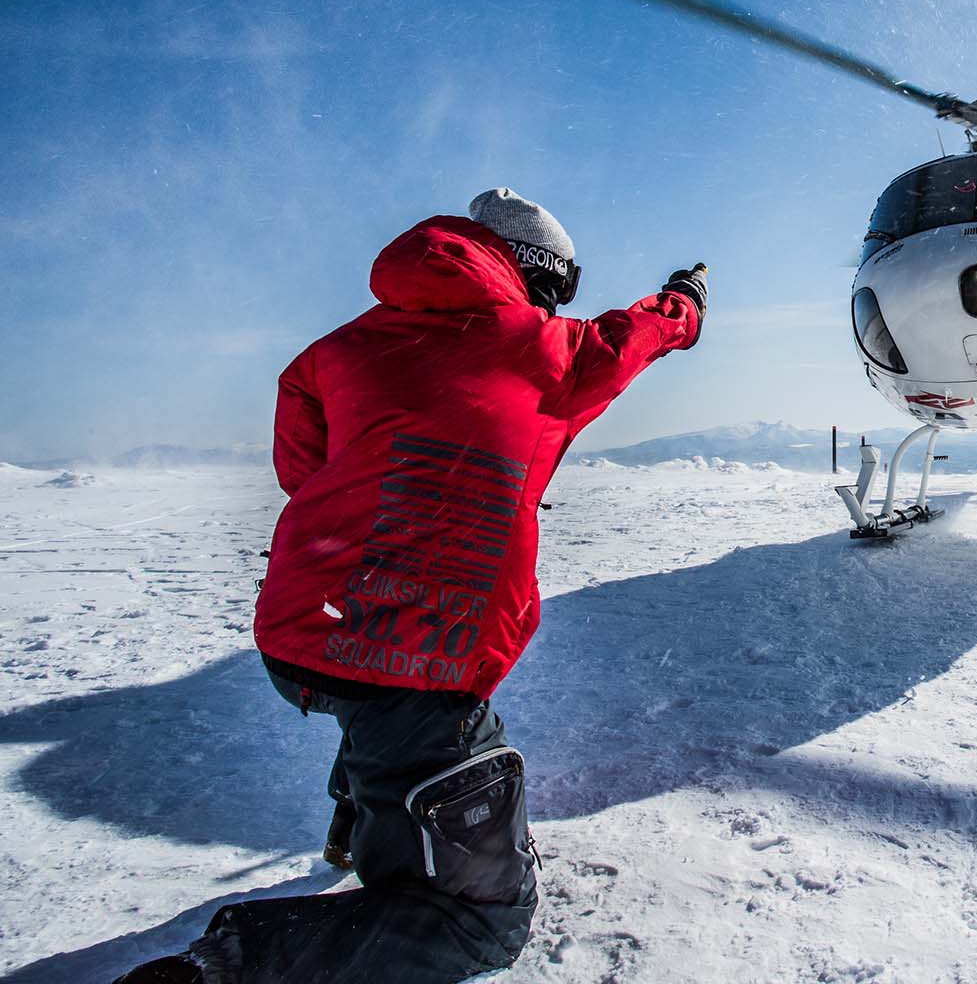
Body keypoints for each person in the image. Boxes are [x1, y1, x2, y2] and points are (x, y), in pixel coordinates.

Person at [117, 189, 707, 984]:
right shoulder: (552, 349)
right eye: (560, 287)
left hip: (300, 634)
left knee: (372, 696)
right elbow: (637, 335)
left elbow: (305, 473)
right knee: (481, 919)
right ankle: (227, 966)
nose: (557, 304)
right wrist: (687, 300)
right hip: (412, 667)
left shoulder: (339, 350)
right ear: (537, 273)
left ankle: (359, 824)